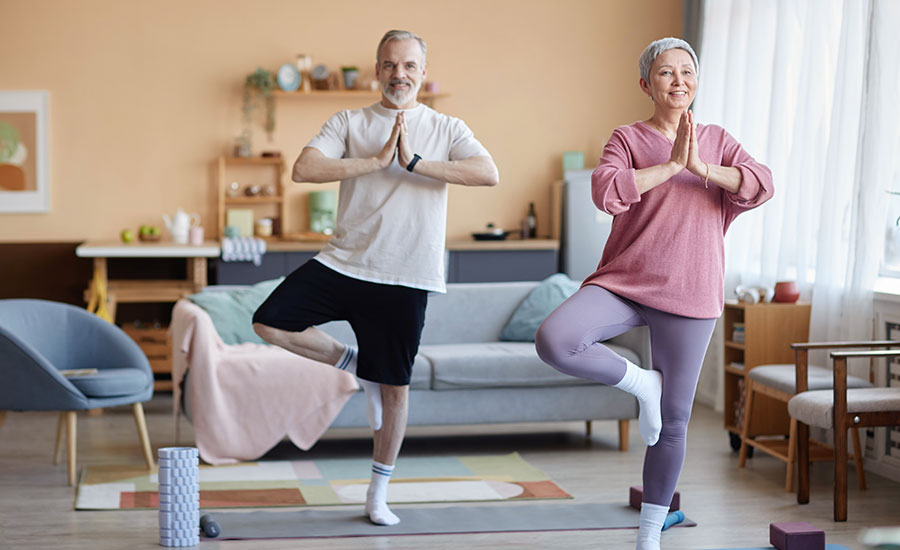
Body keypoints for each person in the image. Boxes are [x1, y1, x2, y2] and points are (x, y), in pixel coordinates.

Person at [252, 29, 499, 526]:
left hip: (407, 274)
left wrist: (414, 163)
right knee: (269, 321)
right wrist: (374, 161)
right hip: (344, 262)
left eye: (409, 65)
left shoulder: (446, 127)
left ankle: (376, 495)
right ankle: (354, 361)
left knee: (395, 391)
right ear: (377, 70)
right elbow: (304, 168)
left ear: (423, 73)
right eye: (389, 65)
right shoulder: (350, 120)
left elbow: (487, 172)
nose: (398, 74)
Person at [535, 37, 772, 550]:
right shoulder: (627, 138)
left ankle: (648, 536)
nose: (679, 80)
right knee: (554, 339)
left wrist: (701, 167)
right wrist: (669, 166)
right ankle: (643, 384)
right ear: (647, 84)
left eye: (687, 71)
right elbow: (605, 189)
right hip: (625, 281)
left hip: (690, 291)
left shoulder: (718, 139)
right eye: (666, 73)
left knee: (675, 423)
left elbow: (760, 183)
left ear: (696, 81)